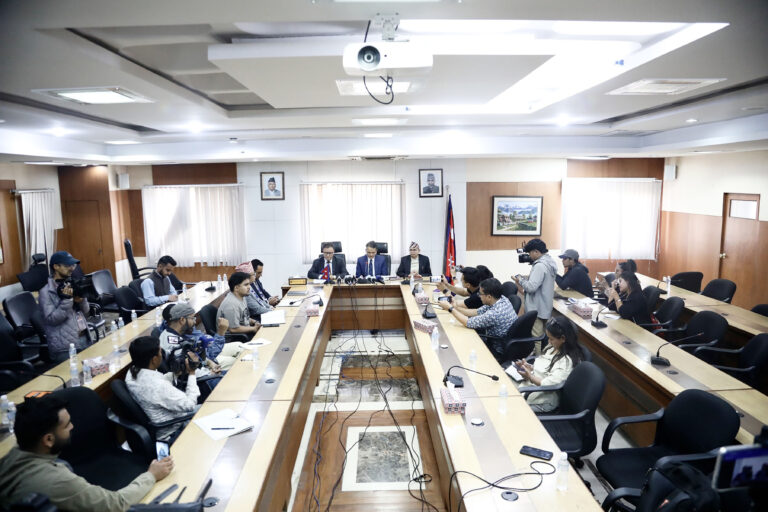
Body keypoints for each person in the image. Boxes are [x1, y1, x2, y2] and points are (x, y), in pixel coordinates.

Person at [0, 394, 173, 511]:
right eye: (67, 425)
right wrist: (151, 475)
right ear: (49, 440)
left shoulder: (14, 455)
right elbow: (117, 504)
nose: (72, 427)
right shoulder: (56, 481)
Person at [125, 336, 200, 443]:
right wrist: (192, 372)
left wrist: (176, 374)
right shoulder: (159, 386)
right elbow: (190, 405)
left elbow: (154, 385)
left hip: (165, 421)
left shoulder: (132, 372)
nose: (162, 354)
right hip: (175, 430)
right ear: (154, 359)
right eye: (160, 352)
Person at [513, 317, 584, 413]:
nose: (549, 342)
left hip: (543, 399)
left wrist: (530, 376)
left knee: (511, 407)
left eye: (551, 339)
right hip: (531, 387)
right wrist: (530, 368)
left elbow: (548, 384)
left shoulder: (566, 362)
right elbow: (545, 366)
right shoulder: (553, 347)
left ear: (563, 338)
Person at [38, 251, 91, 363]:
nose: (71, 268)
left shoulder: (72, 284)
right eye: (67, 265)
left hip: (83, 337)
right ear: (56, 267)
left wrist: (82, 299)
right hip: (64, 347)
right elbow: (51, 319)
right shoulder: (46, 292)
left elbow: (86, 311)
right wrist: (67, 301)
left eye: (73, 265)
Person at [159, 303, 241, 371]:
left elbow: (199, 356)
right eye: (192, 318)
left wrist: (209, 362)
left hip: (206, 358)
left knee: (239, 346)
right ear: (182, 320)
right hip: (202, 372)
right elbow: (191, 369)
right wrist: (221, 333)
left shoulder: (182, 331)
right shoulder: (174, 343)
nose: (195, 322)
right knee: (236, 362)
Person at [512, 238, 557, 353]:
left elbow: (531, 287)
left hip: (537, 307)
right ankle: (544, 357)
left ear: (536, 251)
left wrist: (520, 280)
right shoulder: (550, 262)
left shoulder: (539, 266)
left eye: (530, 253)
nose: (529, 256)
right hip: (544, 305)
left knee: (536, 337)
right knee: (545, 336)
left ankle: (536, 359)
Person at [437, 278, 517, 339]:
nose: (478, 295)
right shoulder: (502, 299)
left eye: (480, 294)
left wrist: (450, 309)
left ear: (489, 297)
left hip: (495, 346)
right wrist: (455, 307)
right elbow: (476, 312)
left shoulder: (494, 314)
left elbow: (468, 322)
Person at [217, 272, 260, 339]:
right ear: (236, 288)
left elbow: (243, 317)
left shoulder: (242, 297)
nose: (249, 287)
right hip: (235, 339)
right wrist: (253, 329)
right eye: (246, 285)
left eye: (249, 284)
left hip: (245, 333)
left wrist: (254, 322)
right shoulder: (231, 304)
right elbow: (234, 329)